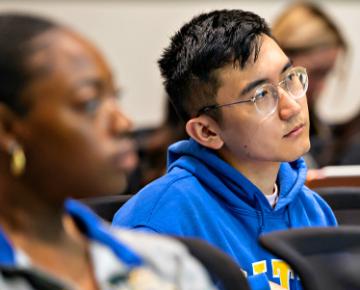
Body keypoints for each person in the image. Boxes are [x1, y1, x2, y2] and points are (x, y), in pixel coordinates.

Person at [113, 9, 337, 290]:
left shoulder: (314, 210)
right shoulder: (156, 226)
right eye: (261, 95)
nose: (292, 106)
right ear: (207, 132)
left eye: (290, 77)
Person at [0, 12, 217, 290]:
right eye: (90, 104)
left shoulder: (162, 265)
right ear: (7, 129)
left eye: (115, 97)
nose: (123, 123)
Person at [272, 2, 349, 167]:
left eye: (327, 74)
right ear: (282, 56)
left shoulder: (319, 131)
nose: (322, 87)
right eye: (316, 73)